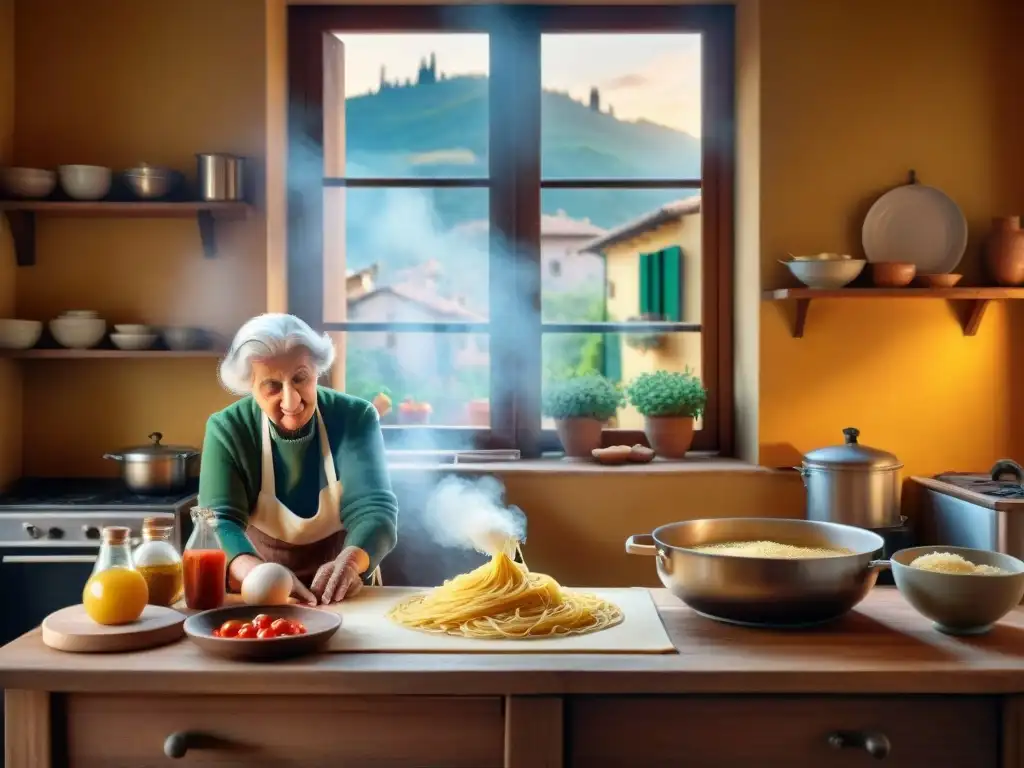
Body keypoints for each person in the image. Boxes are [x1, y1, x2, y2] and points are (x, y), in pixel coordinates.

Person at [198, 313, 399, 605]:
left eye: (300, 378)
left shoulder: (355, 418)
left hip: (347, 592)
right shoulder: (229, 429)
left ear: (317, 371)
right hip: (264, 597)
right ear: (250, 385)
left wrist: (351, 564)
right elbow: (217, 521)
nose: (291, 401)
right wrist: (261, 577)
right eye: (272, 386)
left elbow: (375, 510)